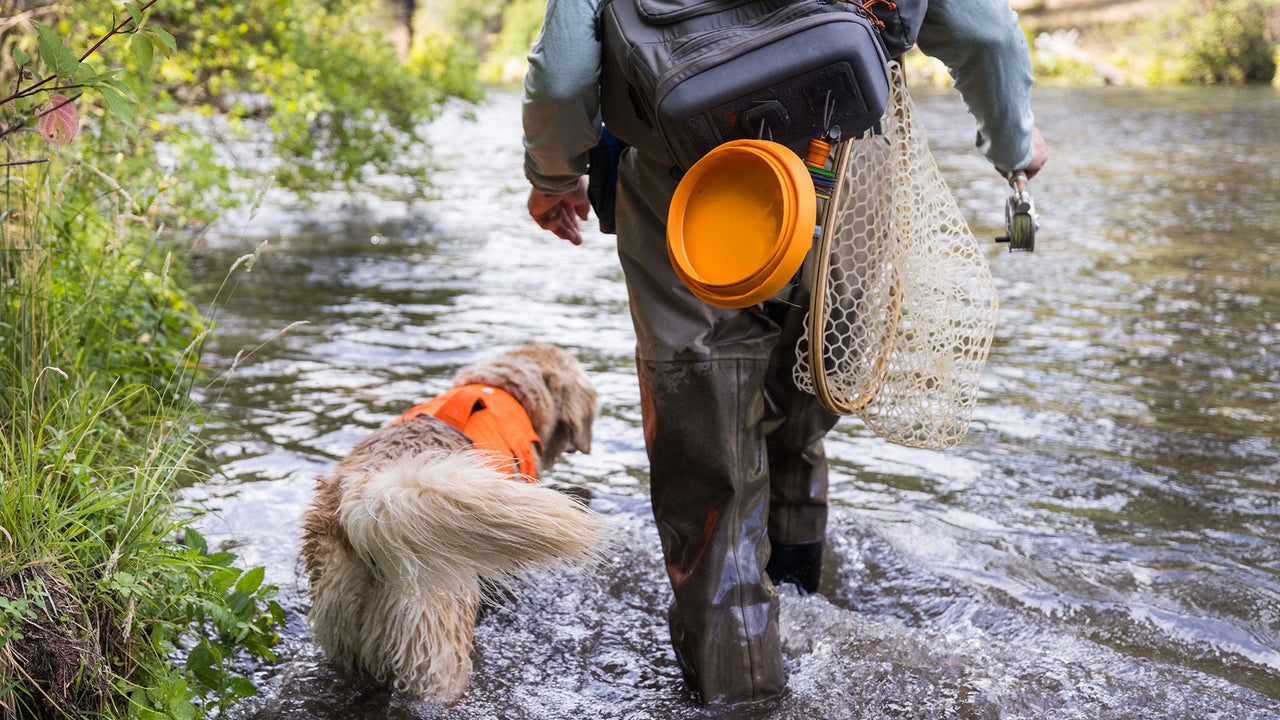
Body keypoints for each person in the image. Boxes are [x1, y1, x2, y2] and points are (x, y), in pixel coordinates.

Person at [521, 0, 1049, 706]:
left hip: (691, 180)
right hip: (844, 171)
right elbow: (984, 34)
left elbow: (560, 80)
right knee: (803, 399)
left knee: (709, 452)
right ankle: (803, 607)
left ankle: (742, 690)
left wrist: (555, 176)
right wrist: (1015, 146)